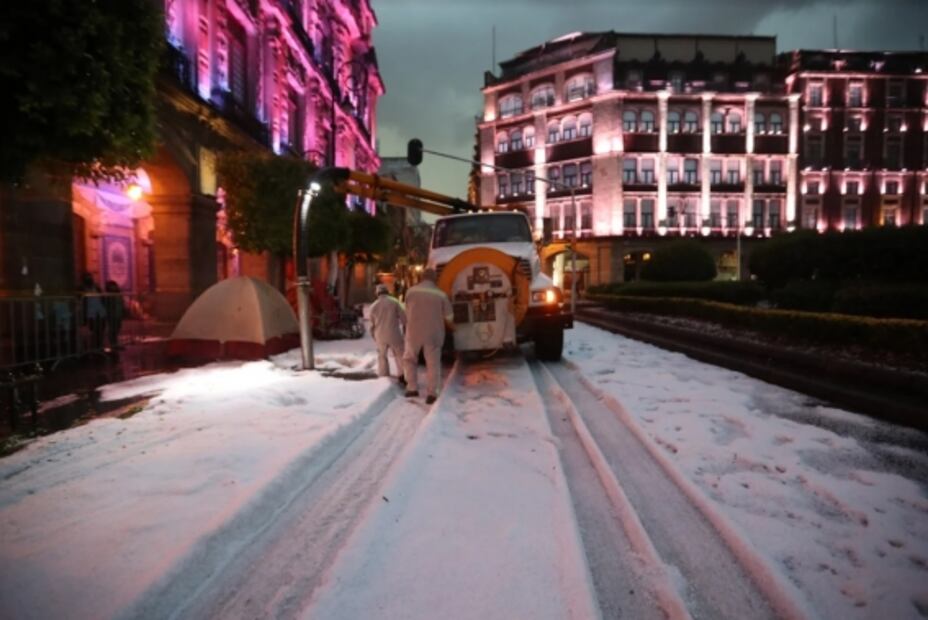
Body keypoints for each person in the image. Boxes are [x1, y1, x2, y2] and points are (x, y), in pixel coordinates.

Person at [402, 268, 453, 405]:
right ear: (434, 279)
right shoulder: (441, 294)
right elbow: (449, 317)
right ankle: (432, 394)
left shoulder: (410, 292)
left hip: (413, 332)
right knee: (433, 363)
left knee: (409, 359)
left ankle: (412, 388)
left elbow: (406, 309)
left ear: (422, 278)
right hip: (433, 333)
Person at [369, 284, 406, 384]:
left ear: (377, 293)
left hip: (380, 335)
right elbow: (404, 318)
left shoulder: (373, 306)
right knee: (399, 355)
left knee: (382, 356)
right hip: (394, 333)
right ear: (387, 292)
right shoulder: (395, 302)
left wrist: (374, 336)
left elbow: (371, 325)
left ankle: (384, 376)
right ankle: (403, 375)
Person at [80, 273, 106, 351]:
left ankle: (99, 347)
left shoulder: (97, 288)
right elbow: (82, 303)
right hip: (91, 314)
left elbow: (102, 298)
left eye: (90, 277)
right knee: (93, 331)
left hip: (100, 313)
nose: (90, 279)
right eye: (87, 278)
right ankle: (94, 348)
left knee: (100, 331)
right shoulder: (82, 289)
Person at [103, 280, 125, 351]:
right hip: (112, 315)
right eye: (112, 286)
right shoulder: (109, 295)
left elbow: (121, 303)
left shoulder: (118, 294)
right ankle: (113, 345)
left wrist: (122, 311)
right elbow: (107, 306)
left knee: (116, 329)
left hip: (118, 315)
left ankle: (115, 344)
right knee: (113, 330)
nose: (114, 287)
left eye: (114, 285)